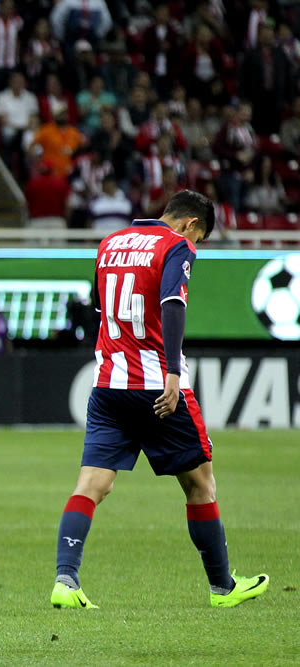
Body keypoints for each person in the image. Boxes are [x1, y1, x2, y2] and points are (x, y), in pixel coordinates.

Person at [50, 190, 269, 610]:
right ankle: (223, 588)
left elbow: (98, 308)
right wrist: (171, 372)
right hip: (157, 387)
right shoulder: (176, 245)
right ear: (190, 224)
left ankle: (66, 579)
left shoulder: (110, 242)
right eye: (199, 237)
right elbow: (172, 303)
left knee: (91, 485)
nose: (196, 244)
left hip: (108, 384)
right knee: (200, 484)